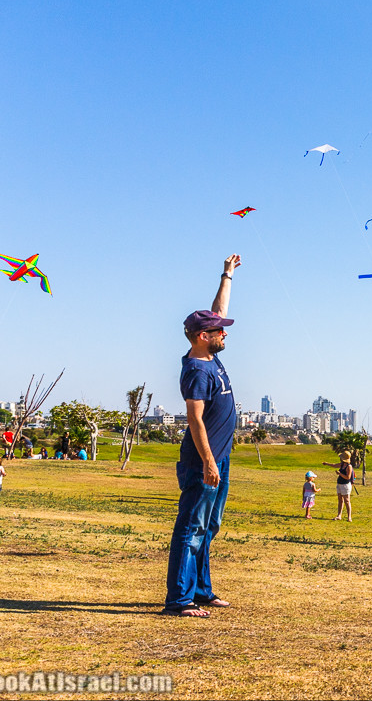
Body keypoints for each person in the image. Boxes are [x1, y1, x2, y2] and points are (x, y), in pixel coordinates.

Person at [163, 254, 241, 619]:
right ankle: (179, 599)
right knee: (191, 527)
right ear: (201, 337)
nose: (224, 333)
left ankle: (201, 590)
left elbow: (218, 311)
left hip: (219, 459)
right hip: (202, 462)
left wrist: (227, 276)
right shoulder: (197, 369)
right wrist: (209, 463)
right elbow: (194, 420)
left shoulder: (210, 356)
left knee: (209, 526)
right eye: (218, 331)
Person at [322, 451, 355, 521]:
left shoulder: (349, 466)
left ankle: (349, 517)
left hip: (345, 485)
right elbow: (334, 465)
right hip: (339, 484)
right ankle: (339, 515)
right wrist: (326, 463)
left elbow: (348, 477)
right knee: (340, 500)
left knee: (347, 501)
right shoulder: (342, 464)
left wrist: (340, 474)